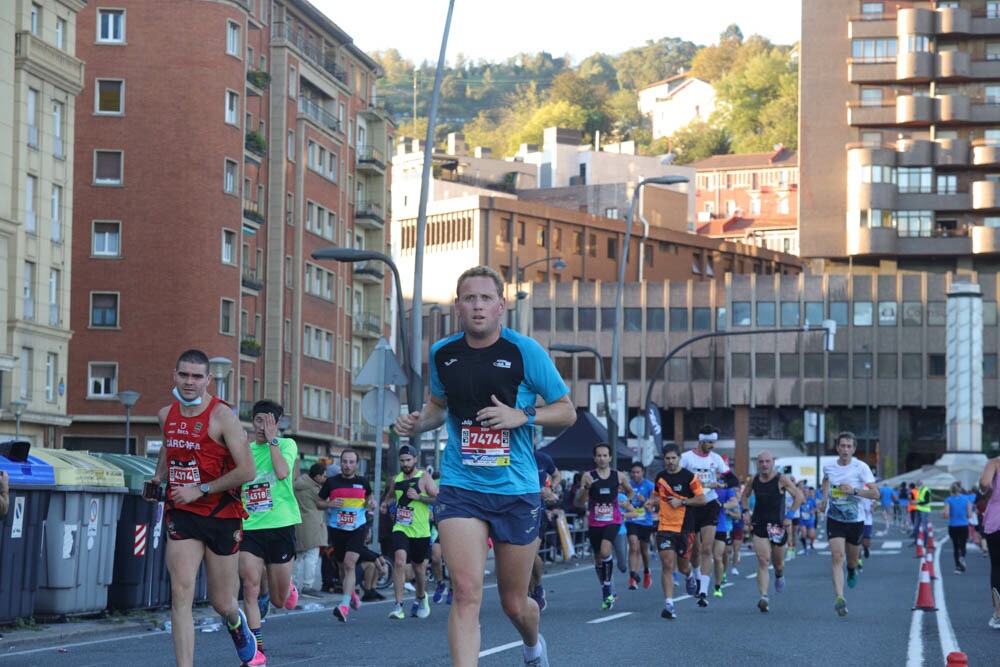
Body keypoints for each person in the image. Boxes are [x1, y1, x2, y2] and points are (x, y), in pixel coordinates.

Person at [394, 265, 575, 667]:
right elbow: (439, 408)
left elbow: (567, 412)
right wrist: (415, 422)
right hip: (462, 486)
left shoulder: (524, 351)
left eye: (486, 298)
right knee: (465, 592)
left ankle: (532, 646)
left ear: (501, 306)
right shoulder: (443, 353)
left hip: (515, 490)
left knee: (514, 603)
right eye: (469, 298)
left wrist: (522, 416)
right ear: (457, 307)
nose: (478, 306)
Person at [148, 349, 257, 667]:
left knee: (222, 603)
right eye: (184, 375)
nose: (189, 382)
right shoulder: (166, 414)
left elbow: (247, 471)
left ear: (208, 380)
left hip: (222, 513)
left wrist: (202, 489)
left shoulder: (222, 416)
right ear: (174, 376)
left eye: (197, 376)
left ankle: (237, 625)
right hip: (182, 512)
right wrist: (158, 477)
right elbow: (171, 447)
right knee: (180, 593)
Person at [236, 400, 301, 666]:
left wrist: (273, 441)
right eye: (259, 420)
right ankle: (257, 651)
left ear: (278, 423)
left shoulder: (287, 445)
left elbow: (283, 472)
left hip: (281, 525)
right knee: (250, 587)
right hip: (250, 527)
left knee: (278, 599)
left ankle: (288, 587)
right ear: (253, 422)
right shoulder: (244, 451)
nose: (263, 427)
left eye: (269, 421)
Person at [818, 431, 878, 617]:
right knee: (837, 556)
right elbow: (826, 480)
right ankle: (840, 598)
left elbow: (876, 494)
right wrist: (824, 499)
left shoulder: (862, 468)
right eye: (842, 446)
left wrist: (854, 490)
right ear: (837, 448)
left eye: (848, 446)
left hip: (855, 520)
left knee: (851, 560)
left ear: (853, 449)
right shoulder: (828, 467)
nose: (845, 449)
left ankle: (852, 570)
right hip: (835, 519)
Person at [679, 424, 739, 607]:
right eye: (709, 442)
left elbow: (733, 479)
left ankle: (704, 591)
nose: (712, 445)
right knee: (694, 551)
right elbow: (677, 478)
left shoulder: (716, 459)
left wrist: (720, 485)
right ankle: (697, 578)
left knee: (707, 549)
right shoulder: (687, 458)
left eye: (714, 442)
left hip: (709, 504)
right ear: (701, 441)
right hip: (691, 505)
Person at [646, 442, 706, 619]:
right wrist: (651, 502)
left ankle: (689, 576)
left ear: (679, 458)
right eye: (667, 458)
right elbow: (656, 496)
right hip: (665, 526)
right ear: (664, 459)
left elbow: (701, 499)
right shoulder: (660, 477)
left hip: (685, 527)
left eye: (673, 458)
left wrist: (683, 502)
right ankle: (669, 604)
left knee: (683, 566)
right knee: (666, 563)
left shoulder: (689, 477)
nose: (670, 461)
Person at [740, 450, 804, 612]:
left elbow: (799, 497)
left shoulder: (781, 479)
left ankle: (779, 575)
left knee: (778, 564)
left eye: (767, 461)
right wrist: (746, 512)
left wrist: (789, 516)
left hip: (777, 525)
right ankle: (764, 596)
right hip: (760, 524)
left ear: (773, 462)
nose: (764, 465)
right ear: (757, 464)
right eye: (761, 462)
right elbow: (744, 496)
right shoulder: (754, 480)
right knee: (763, 560)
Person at [381, 443, 438, 620]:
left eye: (408, 460)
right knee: (399, 561)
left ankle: (421, 597)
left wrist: (419, 497)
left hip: (420, 530)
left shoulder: (424, 477)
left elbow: (438, 499)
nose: (405, 464)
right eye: (402, 461)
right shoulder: (396, 479)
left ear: (415, 459)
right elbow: (391, 496)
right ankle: (398, 606)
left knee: (419, 569)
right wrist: (385, 504)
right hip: (401, 526)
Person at [576, 442, 634, 610]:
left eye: (604, 455)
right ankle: (604, 588)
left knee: (605, 550)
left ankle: (608, 585)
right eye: (598, 455)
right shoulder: (588, 476)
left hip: (613, 520)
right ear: (594, 458)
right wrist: (586, 488)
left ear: (610, 457)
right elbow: (580, 502)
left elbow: (630, 491)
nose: (601, 458)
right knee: (598, 558)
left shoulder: (619, 476)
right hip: (595, 522)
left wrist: (628, 501)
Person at [318, 448, 373, 622]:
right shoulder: (331, 482)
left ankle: (344, 606)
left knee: (350, 564)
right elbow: (318, 503)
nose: (347, 465)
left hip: (357, 528)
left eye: (351, 462)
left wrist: (371, 504)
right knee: (342, 567)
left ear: (357, 464)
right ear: (340, 462)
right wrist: (330, 503)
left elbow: (369, 500)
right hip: (337, 528)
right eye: (344, 462)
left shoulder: (363, 482)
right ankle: (352, 596)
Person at [530, 444, 561, 611]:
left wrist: (550, 488)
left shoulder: (543, 458)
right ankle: (531, 592)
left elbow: (557, 475)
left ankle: (538, 587)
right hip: (515, 512)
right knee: (523, 558)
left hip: (538, 512)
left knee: (530, 555)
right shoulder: (510, 455)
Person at [293, 463, 328, 594]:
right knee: (312, 556)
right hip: (313, 524)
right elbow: (323, 503)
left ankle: (293, 585)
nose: (325, 478)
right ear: (317, 476)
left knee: (298, 556)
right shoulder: (314, 489)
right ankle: (308, 585)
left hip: (298, 523)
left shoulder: (298, 484)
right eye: (324, 476)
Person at [626, 461, 656, 590]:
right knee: (633, 545)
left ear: (643, 472)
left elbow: (653, 507)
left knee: (644, 551)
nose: (635, 475)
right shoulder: (628, 486)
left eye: (638, 472)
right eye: (633, 472)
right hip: (632, 521)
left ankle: (647, 571)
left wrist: (645, 502)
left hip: (645, 521)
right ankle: (632, 577)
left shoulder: (650, 486)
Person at [978, 455, 1000, 628]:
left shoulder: (995, 463)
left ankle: (999, 613)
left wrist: (986, 490)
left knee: (997, 566)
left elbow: (984, 485)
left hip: (997, 519)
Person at [943, 482, 973, 574]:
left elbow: (946, 514)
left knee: (955, 546)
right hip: (963, 525)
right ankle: (962, 556)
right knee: (963, 544)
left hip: (953, 525)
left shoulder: (948, 500)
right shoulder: (967, 499)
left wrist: (945, 515)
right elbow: (969, 514)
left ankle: (957, 567)